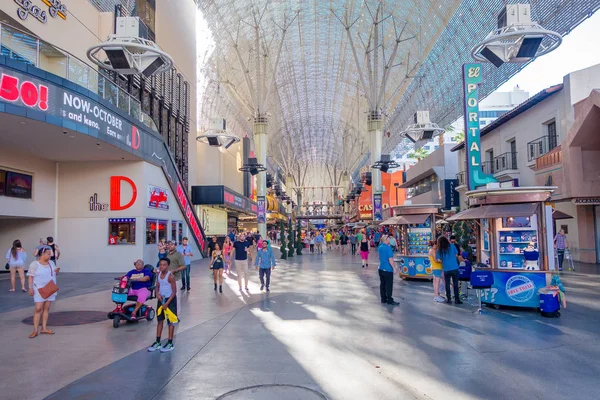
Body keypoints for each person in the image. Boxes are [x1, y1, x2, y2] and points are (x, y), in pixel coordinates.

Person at [27, 246, 59, 338]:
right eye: (48, 254)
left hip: (50, 288)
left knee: (47, 308)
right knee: (38, 308)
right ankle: (35, 330)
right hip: (38, 289)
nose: (50, 256)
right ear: (42, 254)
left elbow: (54, 273)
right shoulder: (34, 264)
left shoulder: (51, 263)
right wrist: (30, 288)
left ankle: (44, 328)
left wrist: (56, 271)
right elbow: (30, 276)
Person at [147, 258, 178, 353]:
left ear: (168, 265)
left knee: (170, 322)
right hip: (161, 299)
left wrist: (167, 303)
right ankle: (158, 341)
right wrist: (157, 294)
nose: (162, 267)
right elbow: (157, 286)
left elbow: (174, 292)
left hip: (169, 301)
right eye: (160, 265)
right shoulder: (159, 275)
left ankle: (170, 343)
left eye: (164, 265)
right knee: (160, 320)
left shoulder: (170, 276)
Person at [436, 236, 462, 305]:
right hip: (454, 267)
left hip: (446, 269)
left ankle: (449, 299)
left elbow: (438, 259)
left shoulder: (439, 250)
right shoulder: (452, 245)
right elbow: (456, 255)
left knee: (447, 284)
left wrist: (444, 260)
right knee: (455, 284)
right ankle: (457, 299)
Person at [165, 241, 186, 309]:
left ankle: (176, 315)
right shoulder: (167, 254)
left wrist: (174, 270)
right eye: (169, 244)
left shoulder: (178, 255)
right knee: (167, 297)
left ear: (175, 246)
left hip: (175, 279)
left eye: (172, 244)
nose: (170, 246)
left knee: (176, 296)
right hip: (166, 280)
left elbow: (183, 266)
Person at [378, 235, 399, 305]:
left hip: (381, 268)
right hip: (388, 269)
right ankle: (389, 299)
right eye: (388, 238)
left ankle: (383, 298)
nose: (389, 239)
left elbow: (379, 257)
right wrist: (394, 268)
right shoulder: (388, 248)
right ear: (386, 240)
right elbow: (390, 259)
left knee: (382, 284)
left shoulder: (380, 247)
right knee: (389, 285)